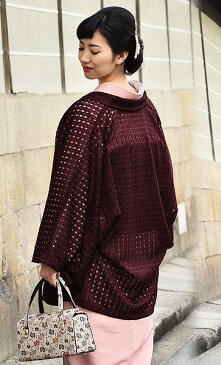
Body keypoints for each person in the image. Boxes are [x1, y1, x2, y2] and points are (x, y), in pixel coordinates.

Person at [32, 6, 178, 364]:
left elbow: (68, 193)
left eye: (93, 50)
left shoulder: (87, 115)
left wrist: (52, 258)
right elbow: (166, 191)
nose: (83, 58)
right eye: (81, 47)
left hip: (97, 272)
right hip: (143, 265)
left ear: (122, 55)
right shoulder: (147, 109)